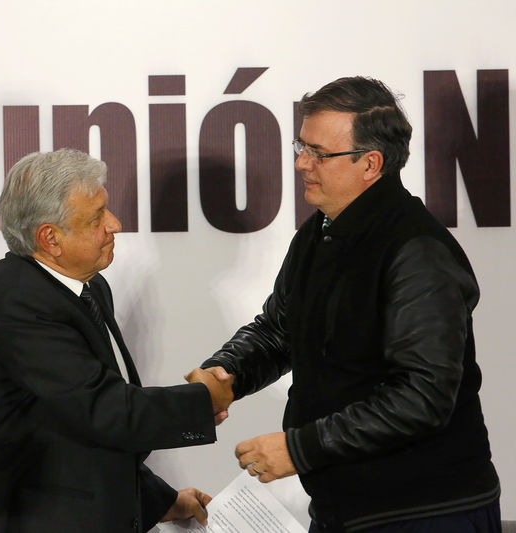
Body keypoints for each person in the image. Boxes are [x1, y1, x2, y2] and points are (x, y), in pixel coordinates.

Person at [187, 76, 501, 532]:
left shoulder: (417, 251)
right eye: (301, 146)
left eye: (318, 153)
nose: (300, 163)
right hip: (345, 509)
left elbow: (422, 396)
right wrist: (224, 375)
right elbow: (279, 330)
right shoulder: (319, 232)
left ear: (370, 163)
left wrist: (300, 450)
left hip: (425, 512)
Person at [0, 149, 233, 533]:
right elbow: (103, 409)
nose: (114, 224)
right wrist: (203, 400)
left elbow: (79, 433)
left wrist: (163, 502)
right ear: (50, 238)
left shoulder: (88, 287)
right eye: (97, 216)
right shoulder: (18, 299)